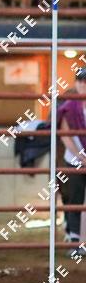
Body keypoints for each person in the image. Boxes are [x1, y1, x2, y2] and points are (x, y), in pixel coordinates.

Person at [58, 67, 86, 243]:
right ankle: (75, 241)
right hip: (74, 160)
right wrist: (81, 156)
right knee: (75, 199)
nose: (83, 84)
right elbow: (64, 134)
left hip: (78, 159)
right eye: (80, 81)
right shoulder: (69, 106)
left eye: (85, 81)